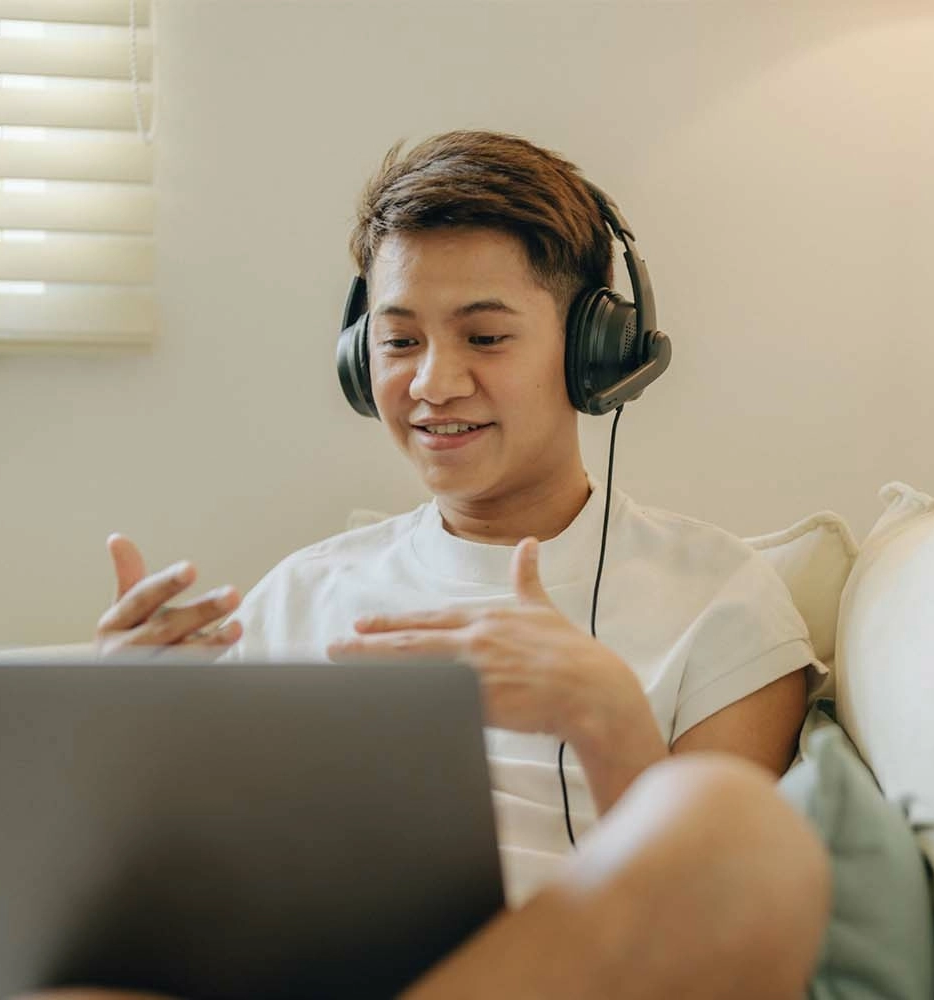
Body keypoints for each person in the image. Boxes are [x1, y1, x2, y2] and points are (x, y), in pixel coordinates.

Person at [83, 130, 831, 997]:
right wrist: (122, 744)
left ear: (596, 351)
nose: (434, 383)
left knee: (736, 824)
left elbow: (723, 929)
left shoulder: (721, 597)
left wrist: (607, 718)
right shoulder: (297, 594)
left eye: (484, 337)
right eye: (399, 342)